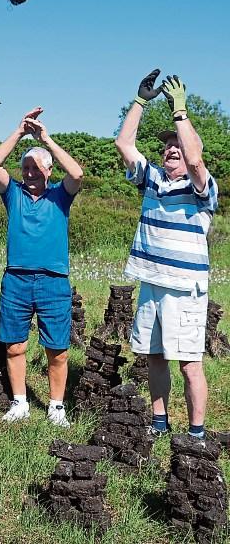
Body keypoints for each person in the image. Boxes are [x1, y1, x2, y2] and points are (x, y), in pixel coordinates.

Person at [115, 70, 219, 440]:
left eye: (177, 144)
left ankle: (196, 432)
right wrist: (140, 102)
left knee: (190, 364)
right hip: (152, 283)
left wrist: (180, 113)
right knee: (154, 356)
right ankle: (160, 422)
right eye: (166, 146)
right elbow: (125, 144)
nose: (170, 149)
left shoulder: (202, 188)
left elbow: (195, 160)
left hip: (184, 288)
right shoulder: (153, 179)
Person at [0, 108, 83, 427]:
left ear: (49, 170)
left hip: (54, 282)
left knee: (57, 349)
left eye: (35, 167)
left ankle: (56, 407)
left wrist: (45, 139)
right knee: (14, 344)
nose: (28, 172)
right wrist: (19, 132)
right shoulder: (12, 194)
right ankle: (20, 403)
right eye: (25, 166)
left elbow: (78, 174)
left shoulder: (60, 195)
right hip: (16, 280)